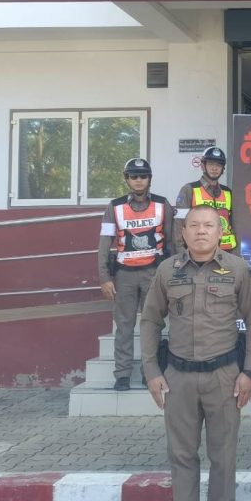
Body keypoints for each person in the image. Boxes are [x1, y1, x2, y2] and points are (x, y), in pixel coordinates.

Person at [140, 205, 251, 501]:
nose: (201, 231)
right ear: (183, 232)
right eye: (193, 225)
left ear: (220, 231)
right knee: (181, 455)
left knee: (222, 455)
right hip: (178, 376)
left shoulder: (236, 269)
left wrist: (249, 372)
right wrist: (151, 371)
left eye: (209, 225)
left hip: (224, 376)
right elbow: (150, 320)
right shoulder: (168, 270)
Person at [97, 157, 174, 391]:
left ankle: (149, 373)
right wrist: (104, 278)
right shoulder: (114, 207)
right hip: (125, 275)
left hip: (153, 273)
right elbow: (104, 244)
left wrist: (173, 274)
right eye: (133, 176)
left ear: (149, 179)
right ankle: (122, 374)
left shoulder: (162, 204)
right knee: (124, 326)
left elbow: (172, 243)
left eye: (143, 176)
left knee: (152, 325)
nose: (138, 180)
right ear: (127, 179)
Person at [175, 146, 237, 254]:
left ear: (223, 169)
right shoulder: (189, 190)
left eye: (218, 165)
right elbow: (179, 225)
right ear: (203, 166)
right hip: (198, 253)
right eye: (211, 164)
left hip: (226, 253)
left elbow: (235, 225)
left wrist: (235, 255)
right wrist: (182, 254)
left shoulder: (228, 192)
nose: (215, 168)